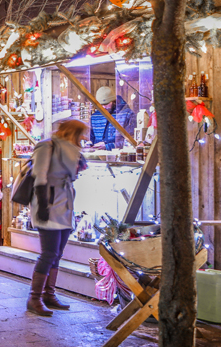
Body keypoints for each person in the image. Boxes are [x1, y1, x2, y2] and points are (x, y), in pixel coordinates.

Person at [27, 120, 89, 317]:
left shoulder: (72, 150)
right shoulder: (47, 146)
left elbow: (73, 174)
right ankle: (34, 298)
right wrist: (43, 206)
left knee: (57, 253)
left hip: (65, 204)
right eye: (81, 134)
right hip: (49, 204)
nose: (84, 138)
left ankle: (49, 294)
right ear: (72, 132)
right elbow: (40, 176)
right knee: (49, 253)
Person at [89, 86, 136, 151]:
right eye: (100, 105)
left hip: (118, 157)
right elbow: (91, 139)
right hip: (97, 157)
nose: (103, 107)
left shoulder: (127, 114)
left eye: (106, 104)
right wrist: (88, 144)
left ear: (113, 101)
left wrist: (108, 146)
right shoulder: (94, 117)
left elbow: (131, 142)